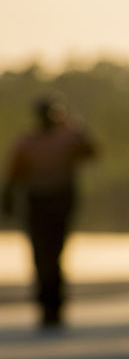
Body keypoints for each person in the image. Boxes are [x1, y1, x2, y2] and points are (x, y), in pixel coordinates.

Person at [1, 96, 98, 328]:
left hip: (53, 202)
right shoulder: (40, 142)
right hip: (45, 202)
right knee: (47, 255)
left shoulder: (38, 141)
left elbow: (90, 152)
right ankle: (49, 304)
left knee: (47, 255)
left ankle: (51, 304)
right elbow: (14, 175)